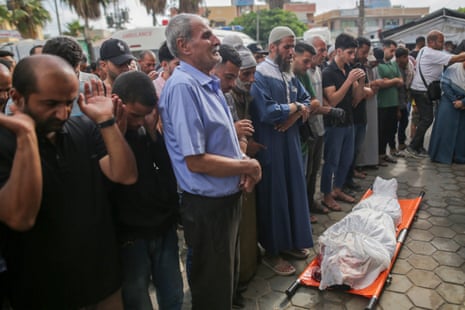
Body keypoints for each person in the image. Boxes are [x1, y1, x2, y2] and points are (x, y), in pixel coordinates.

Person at [0, 54, 137, 309]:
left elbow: (124, 174)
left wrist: (106, 122)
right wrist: (27, 137)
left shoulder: (82, 129)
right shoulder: (5, 143)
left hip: (102, 280)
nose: (62, 113)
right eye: (51, 103)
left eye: (68, 102)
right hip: (44, 291)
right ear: (17, 98)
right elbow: (20, 217)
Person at [159, 14, 261, 310]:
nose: (216, 40)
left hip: (225, 201)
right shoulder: (183, 87)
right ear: (184, 46)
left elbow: (222, 145)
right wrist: (248, 166)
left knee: (224, 282)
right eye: (206, 35)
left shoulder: (206, 84)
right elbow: (196, 161)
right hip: (207, 207)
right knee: (212, 290)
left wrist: (241, 159)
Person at [111, 71, 184, 310]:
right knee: (137, 298)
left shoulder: (147, 129)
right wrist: (117, 135)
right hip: (131, 237)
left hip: (163, 228)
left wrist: (154, 134)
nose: (140, 121)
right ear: (117, 103)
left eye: (146, 115)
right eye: (135, 115)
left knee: (172, 293)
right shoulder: (104, 137)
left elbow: (166, 172)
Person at [250, 26, 313, 276]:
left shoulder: (289, 75)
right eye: (287, 47)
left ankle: (288, 244)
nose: (291, 52)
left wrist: (295, 112)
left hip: (291, 143)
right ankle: (272, 252)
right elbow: (267, 112)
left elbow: (308, 100)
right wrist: (297, 107)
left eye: (292, 47)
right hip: (271, 144)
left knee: (292, 192)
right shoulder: (260, 74)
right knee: (274, 198)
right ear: (273, 47)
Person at [321, 33, 366, 211]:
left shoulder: (347, 70)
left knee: (346, 159)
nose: (352, 57)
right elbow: (332, 100)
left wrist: (360, 81)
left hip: (349, 122)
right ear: (338, 51)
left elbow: (356, 99)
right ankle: (326, 194)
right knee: (331, 161)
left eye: (354, 53)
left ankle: (337, 189)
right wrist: (349, 81)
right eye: (349, 53)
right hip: (334, 124)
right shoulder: (328, 72)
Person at [407, 30, 465, 158]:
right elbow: (456, 58)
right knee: (427, 119)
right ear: (431, 42)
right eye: (440, 41)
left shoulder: (424, 50)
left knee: (423, 119)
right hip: (422, 91)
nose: (443, 44)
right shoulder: (431, 53)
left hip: (420, 90)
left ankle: (418, 147)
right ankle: (412, 147)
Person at [345, 37, 373, 192]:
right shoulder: (351, 68)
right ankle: (345, 181)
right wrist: (364, 90)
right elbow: (357, 95)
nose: (365, 56)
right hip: (351, 117)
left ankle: (350, 177)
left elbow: (368, 91)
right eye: (363, 52)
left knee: (355, 150)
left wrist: (364, 90)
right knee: (348, 152)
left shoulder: (361, 67)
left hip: (362, 115)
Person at [429, 60, 465, 164]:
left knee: (461, 132)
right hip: (449, 101)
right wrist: (455, 100)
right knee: (444, 127)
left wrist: (463, 102)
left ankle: (459, 156)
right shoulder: (453, 68)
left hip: (463, 104)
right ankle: (441, 156)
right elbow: (445, 85)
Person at [376, 39, 403, 165]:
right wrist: (394, 81)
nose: (392, 53)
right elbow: (381, 83)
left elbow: (401, 82)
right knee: (381, 131)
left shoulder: (394, 65)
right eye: (391, 50)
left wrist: (390, 81)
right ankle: (378, 155)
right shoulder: (378, 65)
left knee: (390, 131)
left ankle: (384, 153)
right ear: (384, 49)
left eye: (394, 51)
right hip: (382, 104)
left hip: (393, 103)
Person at [395, 46, 414, 152]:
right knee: (394, 124)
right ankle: (393, 146)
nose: (407, 59)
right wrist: (397, 108)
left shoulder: (409, 67)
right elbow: (395, 90)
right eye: (404, 57)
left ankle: (401, 143)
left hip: (404, 99)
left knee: (404, 121)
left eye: (406, 56)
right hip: (395, 100)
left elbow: (409, 84)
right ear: (398, 58)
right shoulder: (394, 69)